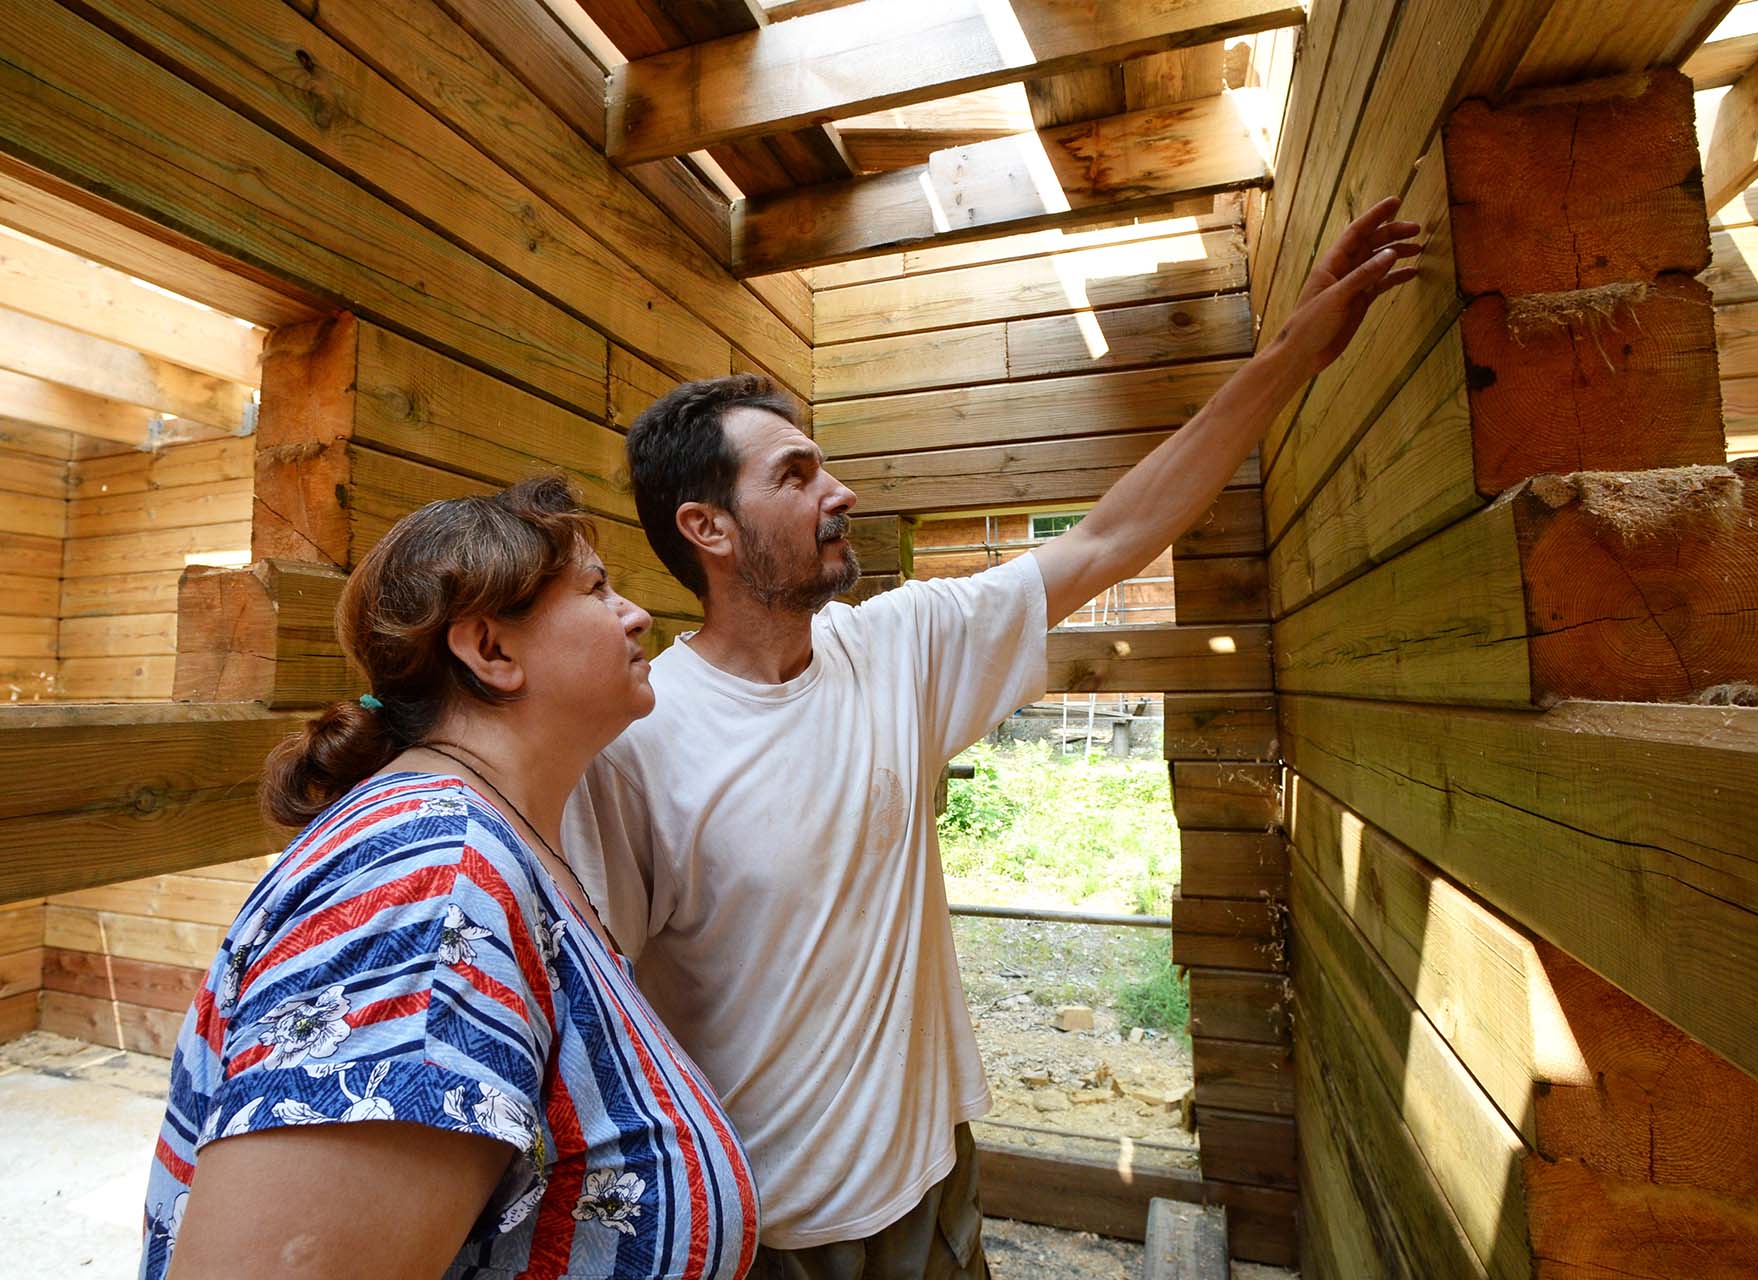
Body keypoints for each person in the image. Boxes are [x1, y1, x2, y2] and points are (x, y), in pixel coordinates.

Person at [562, 199, 1422, 1278]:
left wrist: (1297, 350)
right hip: (768, 1228)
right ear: (708, 529)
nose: (842, 490)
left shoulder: (900, 645)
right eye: (795, 474)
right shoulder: (641, 738)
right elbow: (599, 1005)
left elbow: (1112, 533)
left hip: (936, 1179)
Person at [142, 476, 758, 1280]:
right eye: (598, 589)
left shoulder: (490, 842)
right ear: (491, 651)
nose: (636, 614)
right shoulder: (431, 879)